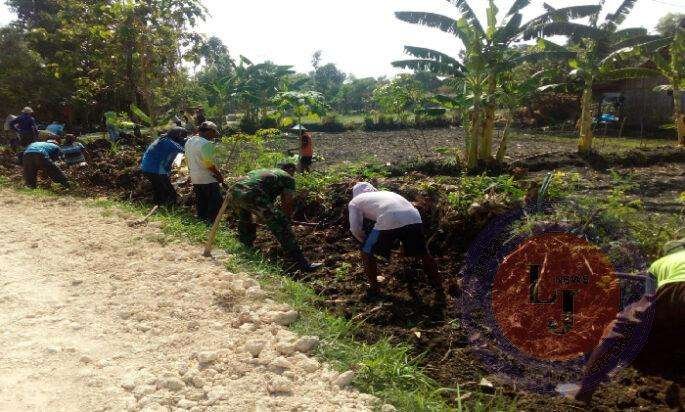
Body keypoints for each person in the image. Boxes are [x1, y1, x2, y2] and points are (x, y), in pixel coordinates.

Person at [572, 238, 685, 402]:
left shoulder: (659, 263)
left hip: (670, 291)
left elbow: (650, 298)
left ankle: (584, 392)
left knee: (619, 329)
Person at [348, 182, 444, 300]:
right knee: (423, 253)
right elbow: (400, 219)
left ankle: (374, 288)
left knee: (366, 251)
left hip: (389, 218)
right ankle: (438, 285)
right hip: (414, 217)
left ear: (355, 193)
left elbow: (355, 229)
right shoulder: (386, 194)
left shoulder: (355, 201)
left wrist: (365, 241)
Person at [230, 163, 321, 272]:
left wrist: (264, 215)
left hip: (234, 192)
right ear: (290, 170)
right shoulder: (288, 178)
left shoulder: (267, 172)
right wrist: (287, 219)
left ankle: (246, 249)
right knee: (281, 224)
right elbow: (287, 202)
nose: (294, 174)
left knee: (246, 219)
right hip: (253, 194)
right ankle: (301, 263)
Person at [185, 121, 223, 224]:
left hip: (195, 177)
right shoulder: (206, 144)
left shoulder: (189, 141)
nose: (214, 136)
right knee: (215, 202)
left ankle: (201, 221)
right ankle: (212, 223)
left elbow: (187, 159)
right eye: (214, 133)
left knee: (201, 201)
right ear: (209, 132)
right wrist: (219, 175)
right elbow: (208, 164)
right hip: (208, 179)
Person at [140, 127, 187, 206]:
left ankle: (157, 206)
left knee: (159, 190)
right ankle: (166, 208)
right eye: (182, 137)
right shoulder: (168, 143)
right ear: (177, 136)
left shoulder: (163, 139)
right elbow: (184, 150)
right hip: (155, 169)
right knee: (169, 193)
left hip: (148, 168)